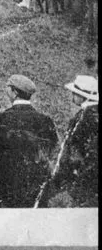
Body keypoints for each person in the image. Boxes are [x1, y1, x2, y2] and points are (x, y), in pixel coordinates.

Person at [0, 74, 58, 207]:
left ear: (14, 92)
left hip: (9, 183)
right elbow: (53, 150)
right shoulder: (45, 120)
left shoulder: (3, 118)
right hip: (37, 183)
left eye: (8, 87)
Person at [39, 75, 98, 208]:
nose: (72, 95)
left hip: (75, 182)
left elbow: (75, 152)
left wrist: (62, 179)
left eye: (75, 93)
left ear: (83, 96)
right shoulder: (91, 114)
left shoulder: (85, 118)